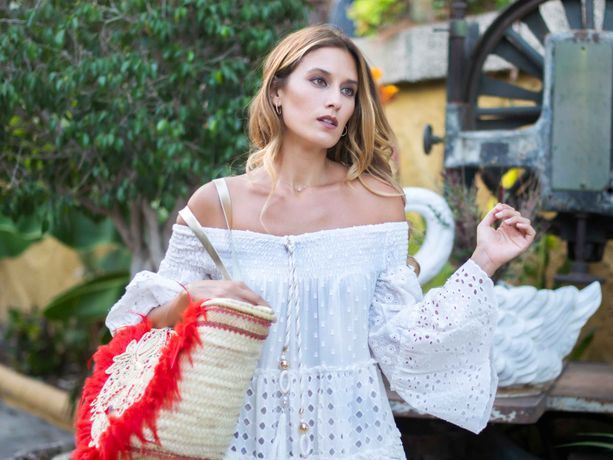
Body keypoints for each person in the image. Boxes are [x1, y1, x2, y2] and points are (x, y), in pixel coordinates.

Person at [106, 24, 535, 459]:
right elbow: (138, 328)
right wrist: (192, 296)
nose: (336, 100)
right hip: (239, 442)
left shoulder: (379, 203)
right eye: (319, 81)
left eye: (348, 90)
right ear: (277, 91)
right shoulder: (216, 204)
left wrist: (484, 261)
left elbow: (404, 341)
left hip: (354, 442)